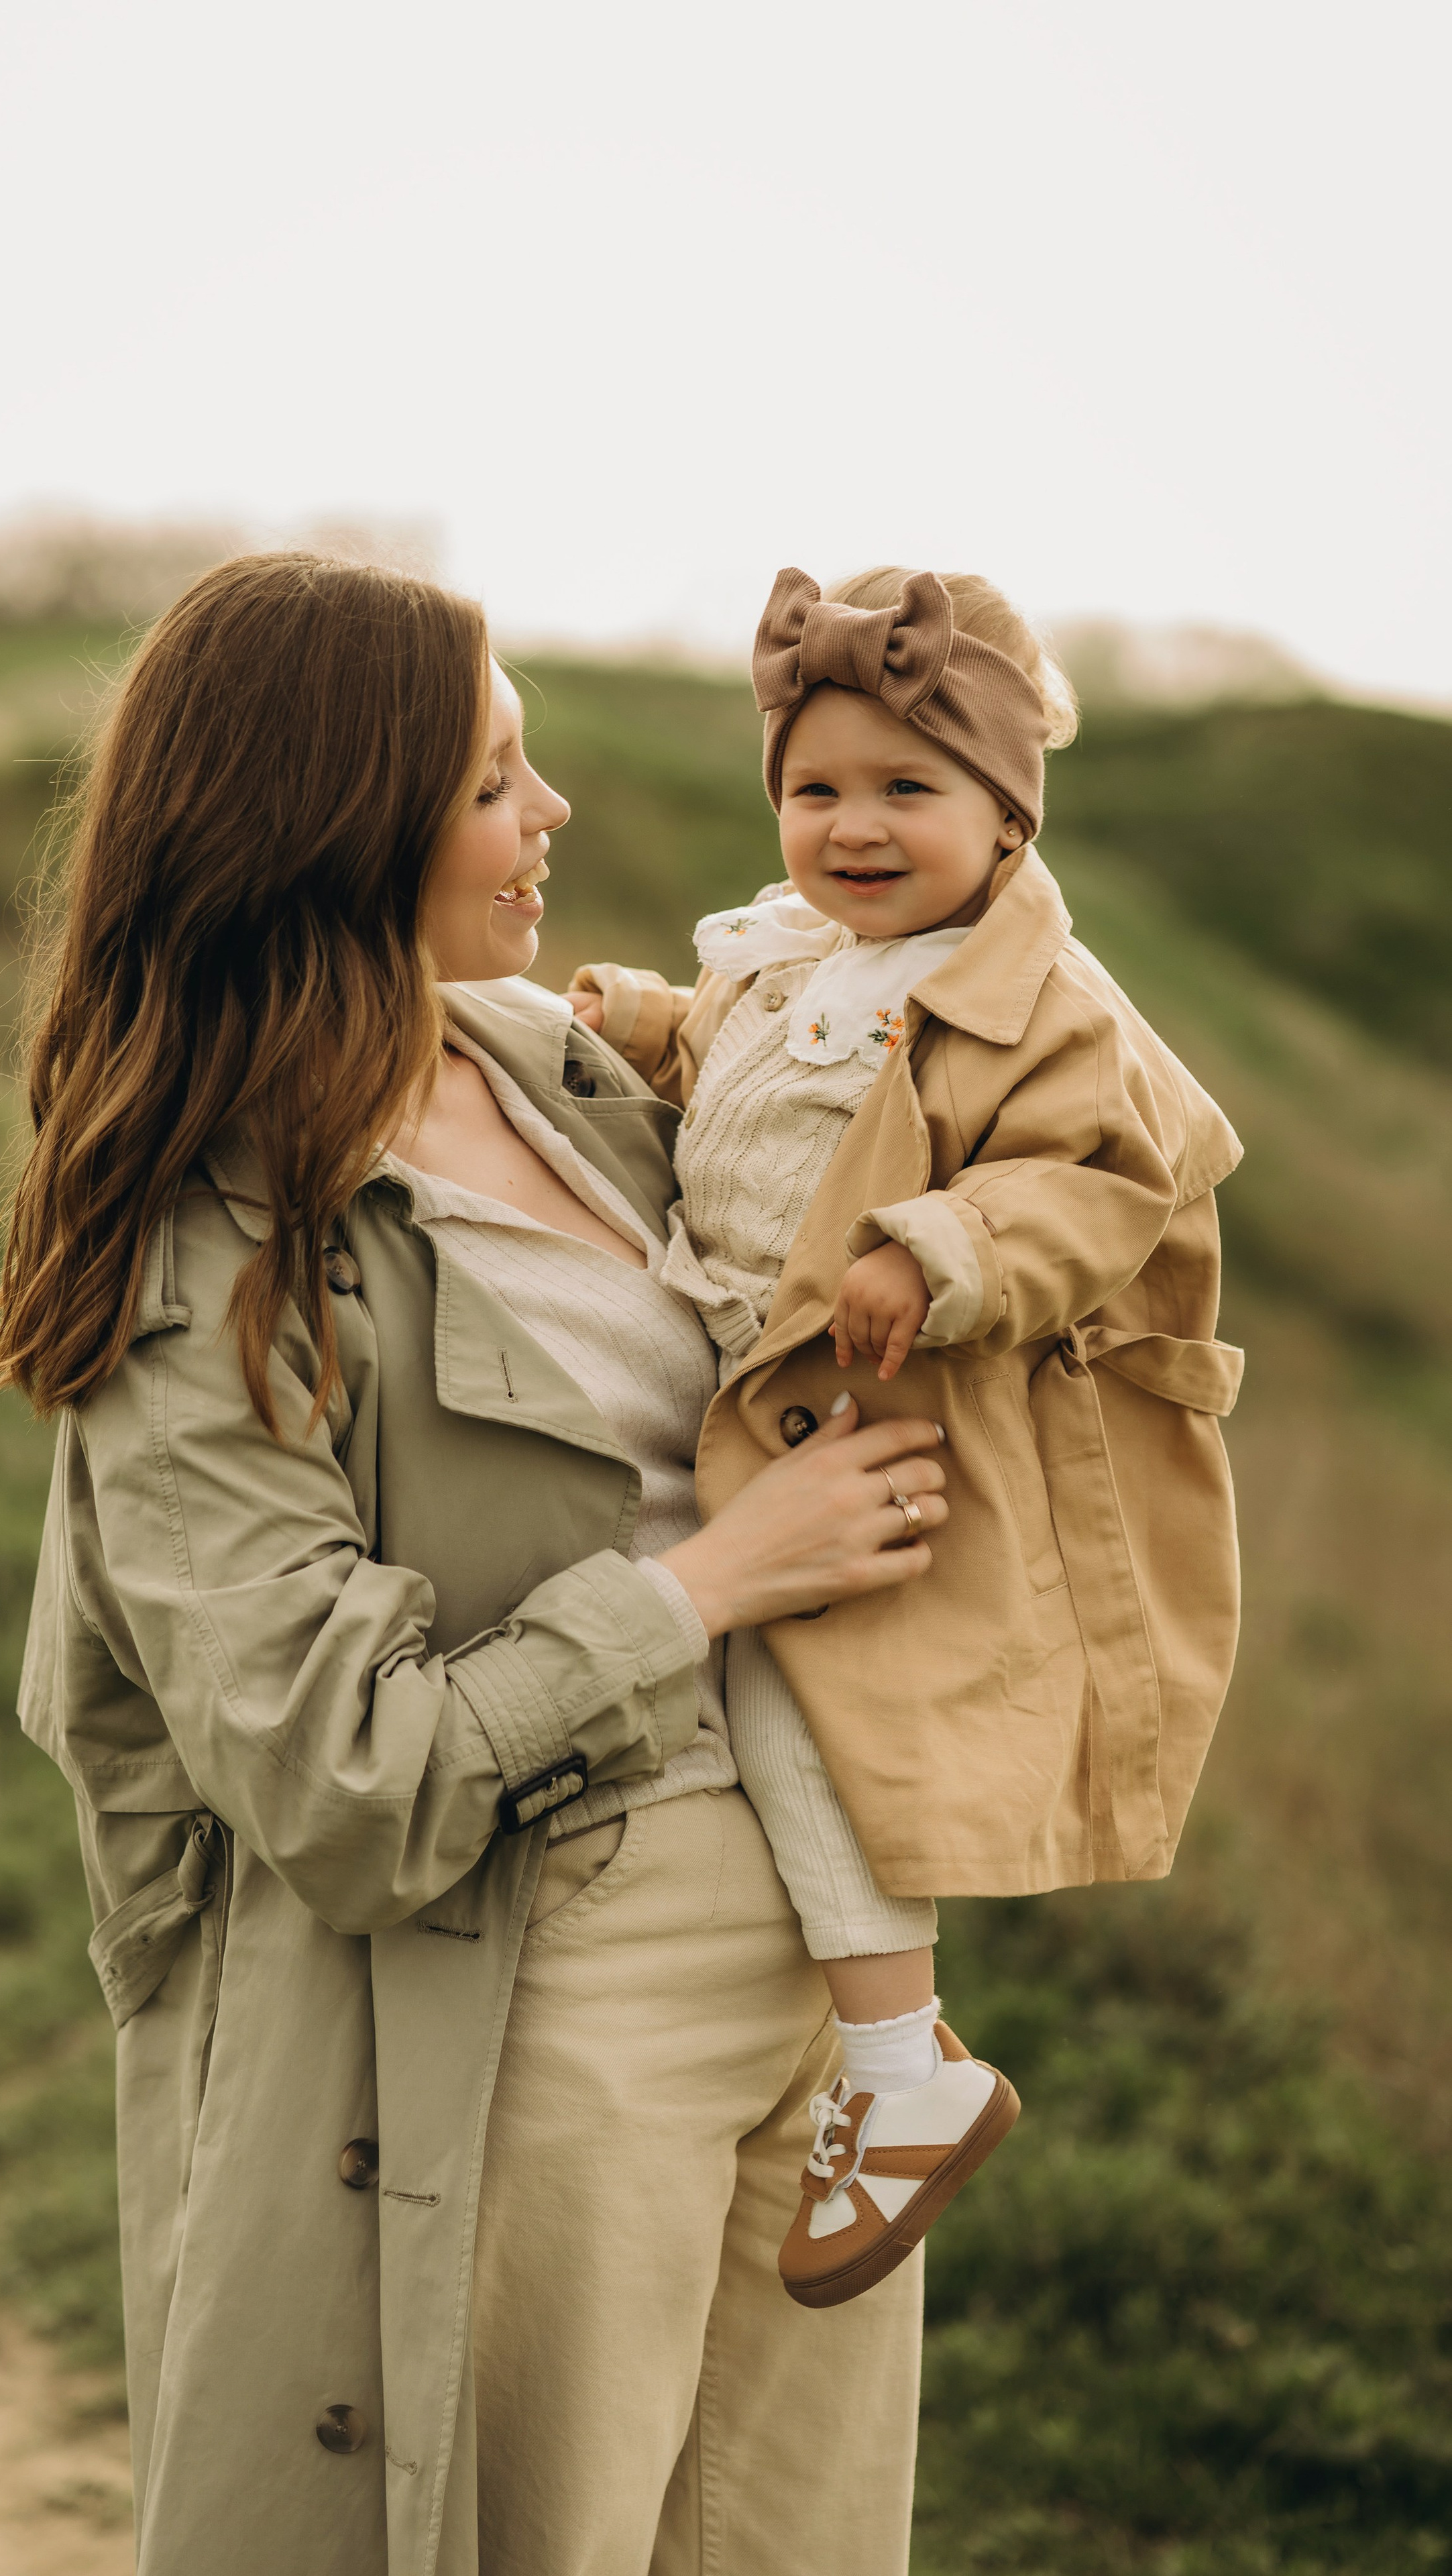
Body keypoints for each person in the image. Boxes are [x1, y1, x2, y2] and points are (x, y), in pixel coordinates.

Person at [0, 551, 953, 2576]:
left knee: (801, 2546)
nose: (555, 816)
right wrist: (718, 1582)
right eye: (498, 781)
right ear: (341, 833)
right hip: (558, 1973)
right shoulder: (212, 1243)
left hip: (825, 1966)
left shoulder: (556, 1065)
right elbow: (328, 1768)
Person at [571, 564, 1245, 2310]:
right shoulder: (800, 955)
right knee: (747, 1691)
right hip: (756, 1397)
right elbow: (742, 1071)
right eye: (817, 789)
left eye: (907, 791)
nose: (853, 829)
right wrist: (651, 1028)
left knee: (811, 1713)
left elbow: (1088, 1188)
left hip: (882, 1420)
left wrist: (935, 1251)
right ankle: (877, 2048)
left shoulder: (1046, 1007)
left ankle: (901, 2062)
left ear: (1007, 811)